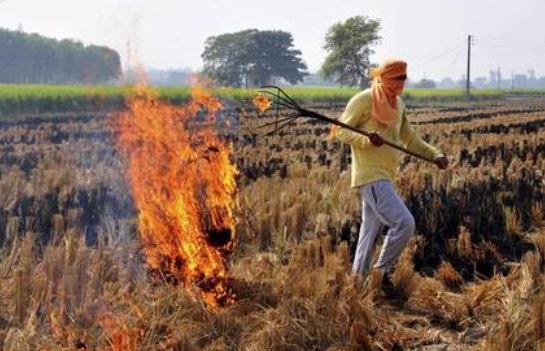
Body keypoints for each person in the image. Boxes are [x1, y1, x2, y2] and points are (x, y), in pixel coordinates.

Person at [332, 58, 449, 281]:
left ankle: (358, 283)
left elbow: (410, 138)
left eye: (404, 78)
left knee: (368, 235)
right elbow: (340, 131)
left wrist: (435, 155)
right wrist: (366, 139)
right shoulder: (364, 99)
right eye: (397, 78)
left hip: (385, 175)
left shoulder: (398, 104)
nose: (401, 83)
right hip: (370, 176)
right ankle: (381, 273)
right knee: (404, 223)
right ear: (384, 77)